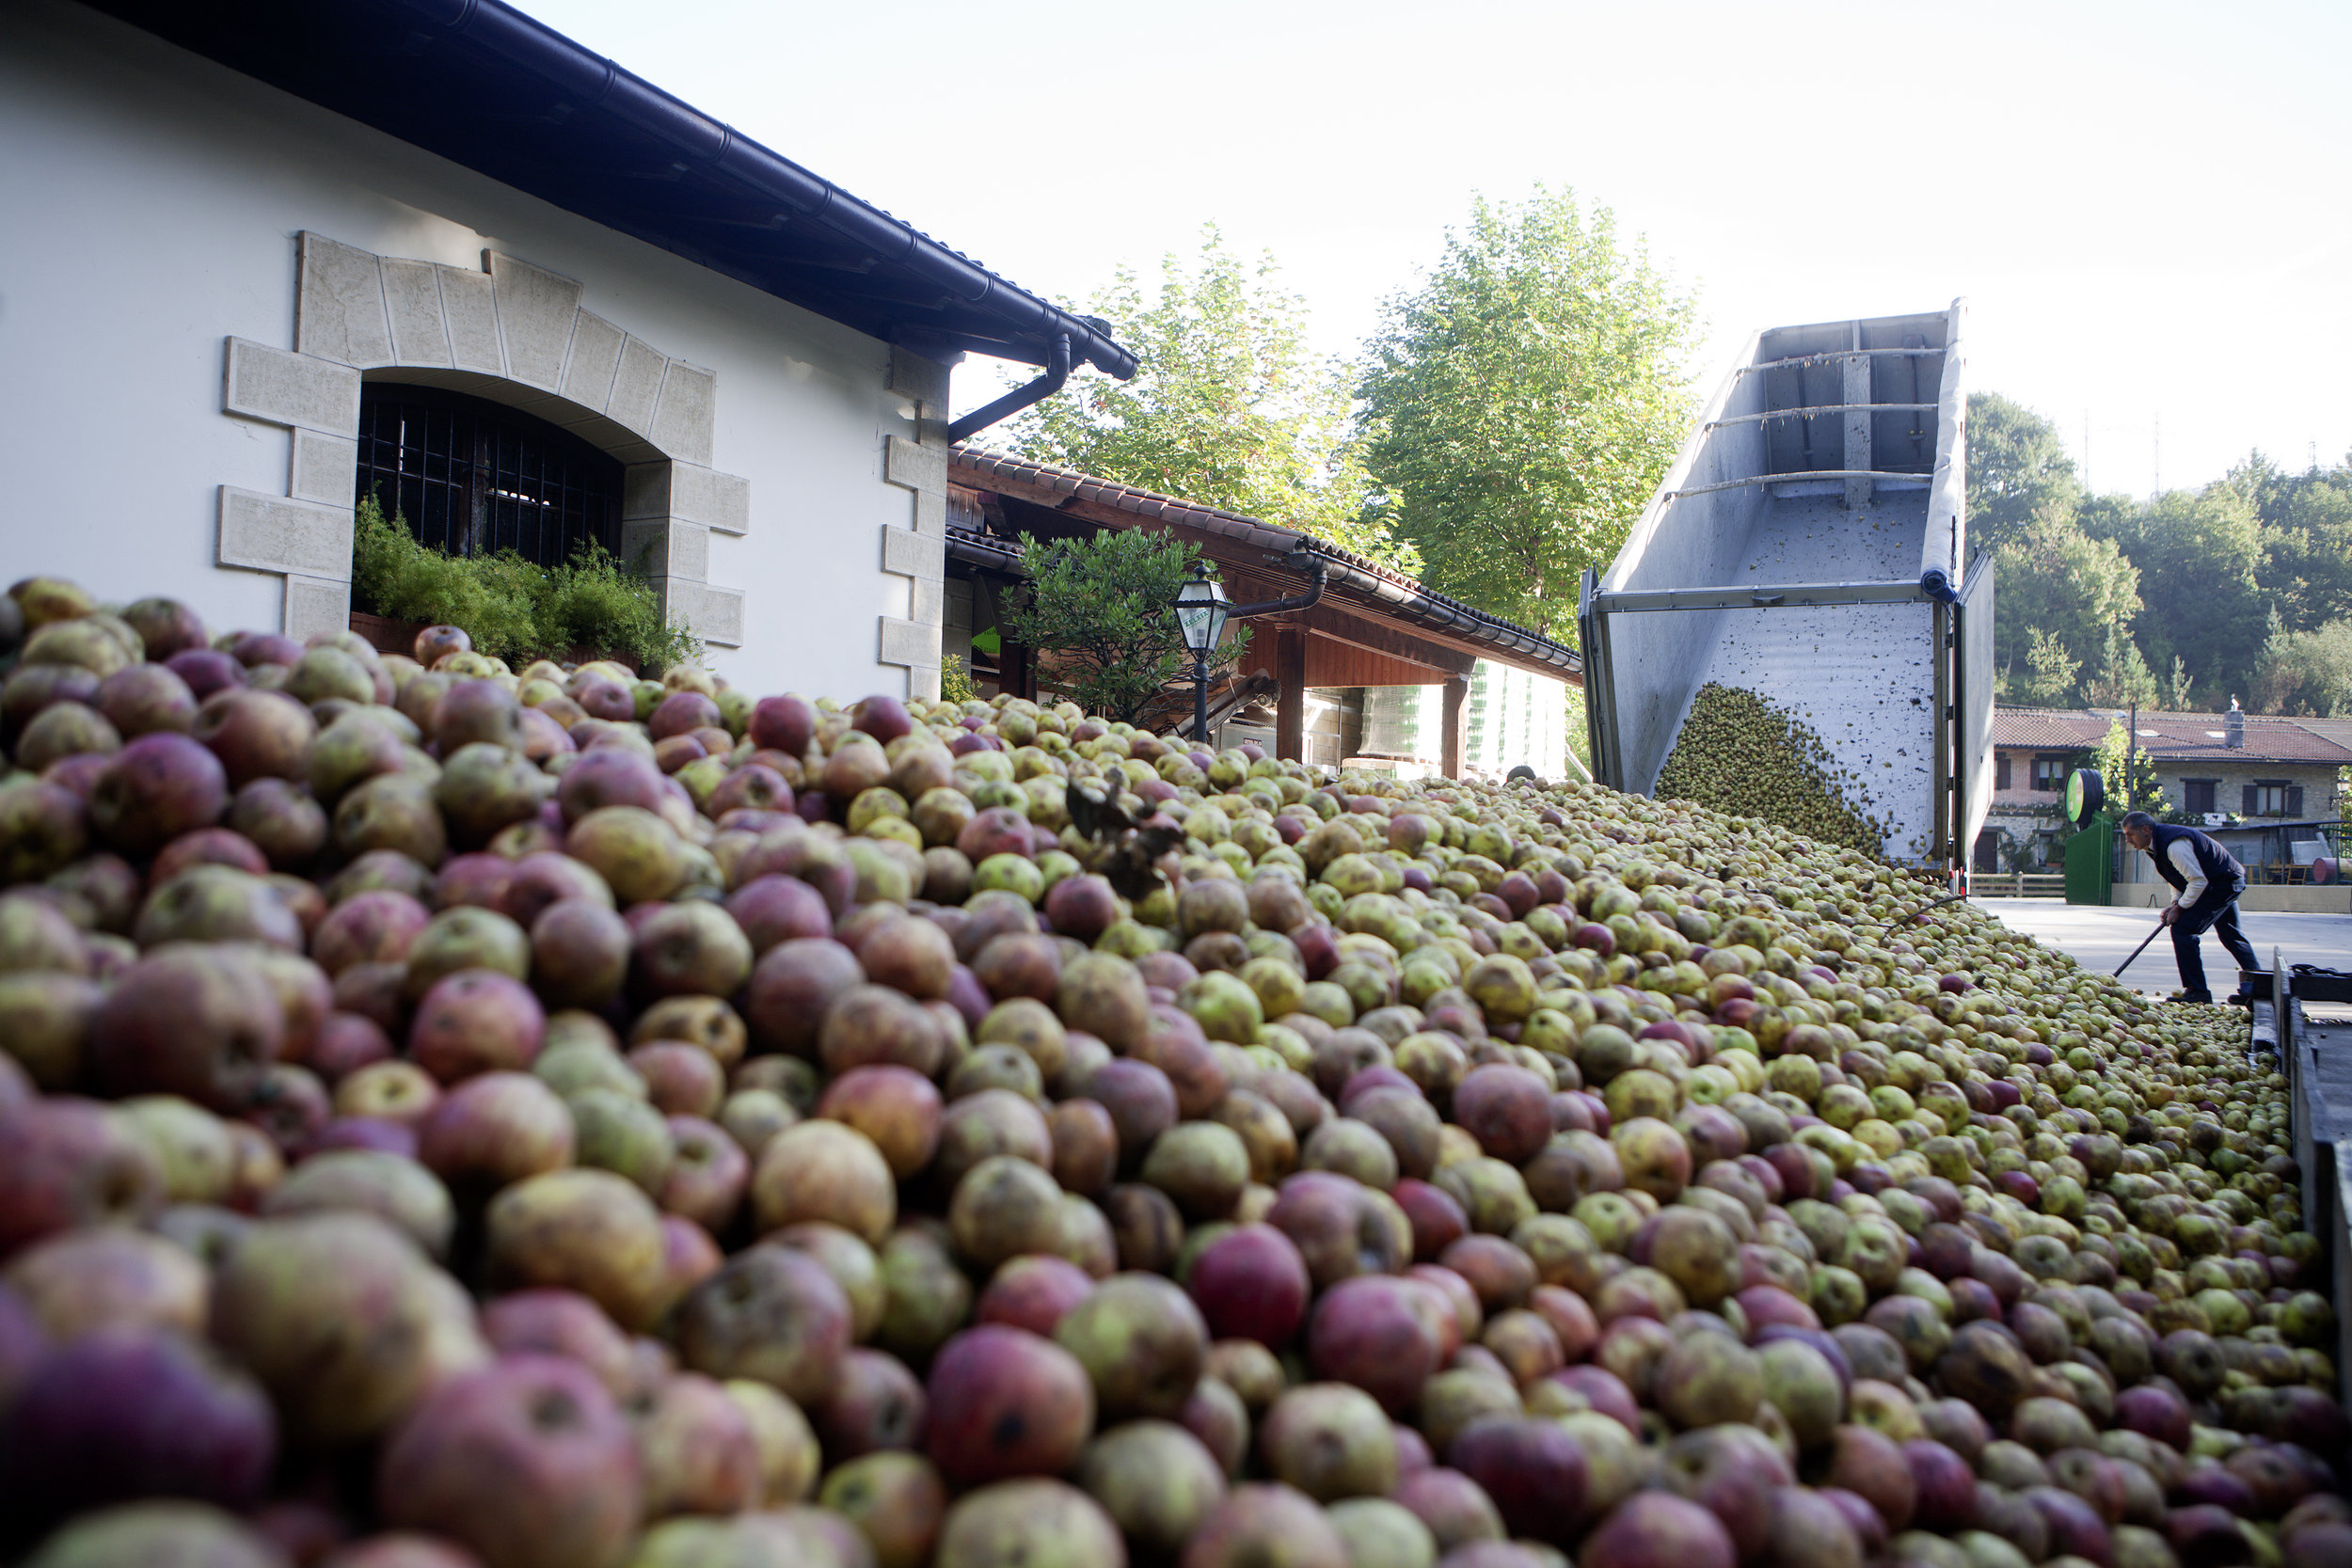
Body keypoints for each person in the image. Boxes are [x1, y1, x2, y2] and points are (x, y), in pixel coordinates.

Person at [2117, 811, 2259, 1003]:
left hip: (2222, 883)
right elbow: (2176, 878)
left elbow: (2198, 881)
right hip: (2217, 881)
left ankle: (2197, 992)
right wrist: (2175, 903)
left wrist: (2180, 909)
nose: (2127, 840)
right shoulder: (2155, 845)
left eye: (2130, 834)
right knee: (2230, 934)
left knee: (2183, 929)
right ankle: (2258, 988)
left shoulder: (2174, 844)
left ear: (2145, 830)